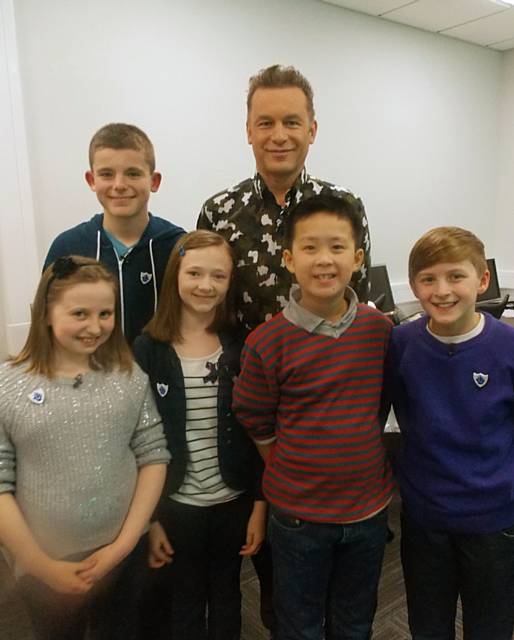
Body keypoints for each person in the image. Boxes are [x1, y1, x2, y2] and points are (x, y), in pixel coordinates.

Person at [233, 195, 394, 640]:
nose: (324, 260)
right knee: (299, 622)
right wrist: (285, 461)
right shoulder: (268, 341)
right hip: (299, 516)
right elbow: (253, 414)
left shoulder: (378, 330)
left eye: (337, 247)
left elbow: (376, 403)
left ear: (357, 258)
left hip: (368, 509)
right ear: (288, 259)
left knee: (355, 618)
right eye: (310, 248)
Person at [0, 255, 170, 640]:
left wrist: (125, 544)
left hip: (121, 553)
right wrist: (37, 562)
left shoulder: (127, 377)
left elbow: (153, 454)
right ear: (46, 312)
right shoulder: (8, 385)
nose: (95, 327)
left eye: (105, 314)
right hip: (44, 560)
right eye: (80, 313)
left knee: (122, 629)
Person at [133, 230, 266, 640]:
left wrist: (260, 505)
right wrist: (149, 521)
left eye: (218, 276)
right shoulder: (149, 349)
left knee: (227, 592)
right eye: (194, 273)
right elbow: (139, 441)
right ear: (175, 274)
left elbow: (257, 430)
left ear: (230, 284)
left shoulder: (243, 345)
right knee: (184, 598)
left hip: (233, 500)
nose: (205, 285)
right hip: (175, 504)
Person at [387, 227, 514, 640]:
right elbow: (399, 409)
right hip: (426, 517)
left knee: (491, 625)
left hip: (495, 520)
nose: (442, 291)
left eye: (455, 276)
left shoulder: (507, 346)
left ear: (482, 280)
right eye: (428, 279)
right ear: (415, 286)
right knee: (428, 623)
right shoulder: (402, 343)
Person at [197, 64, 371, 334]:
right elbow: (206, 307)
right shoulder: (218, 213)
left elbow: (356, 304)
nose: (279, 136)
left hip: (327, 368)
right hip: (243, 371)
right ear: (249, 132)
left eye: (291, 122)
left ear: (311, 131)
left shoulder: (345, 207)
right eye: (266, 123)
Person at [44, 123, 184, 346]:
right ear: (91, 180)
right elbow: (47, 327)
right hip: (89, 377)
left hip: (162, 377)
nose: (119, 185)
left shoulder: (177, 246)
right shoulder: (67, 247)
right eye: (107, 174)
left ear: (154, 181)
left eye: (133, 173)